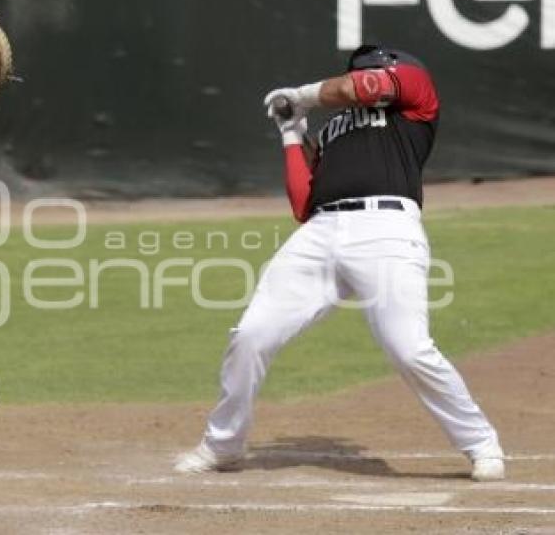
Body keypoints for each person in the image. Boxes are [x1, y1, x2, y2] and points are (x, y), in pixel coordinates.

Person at [174, 45, 505, 481]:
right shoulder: (334, 130)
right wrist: (292, 132)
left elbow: (360, 87)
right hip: (321, 231)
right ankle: (224, 444)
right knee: (252, 335)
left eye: (381, 66)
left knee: (409, 348)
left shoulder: (415, 92)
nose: (374, 71)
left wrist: (302, 95)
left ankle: (481, 442)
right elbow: (303, 203)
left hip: (387, 227)